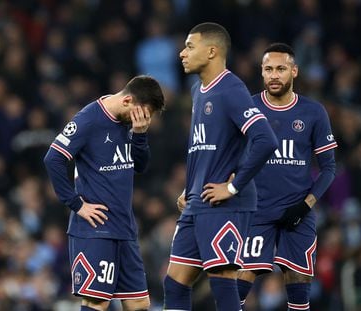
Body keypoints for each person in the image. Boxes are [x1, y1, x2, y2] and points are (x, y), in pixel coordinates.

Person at [163, 22, 278, 311]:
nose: (181, 53)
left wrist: (233, 186)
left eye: (190, 46)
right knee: (174, 282)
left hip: (225, 204)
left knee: (222, 280)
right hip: (197, 200)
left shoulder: (231, 88)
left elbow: (265, 139)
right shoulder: (198, 91)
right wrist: (189, 188)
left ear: (212, 51)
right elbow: (205, 146)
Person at [43, 75, 165, 311]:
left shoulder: (131, 124)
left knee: (139, 303)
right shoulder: (88, 119)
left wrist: (140, 135)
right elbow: (53, 158)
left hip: (125, 227)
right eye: (141, 114)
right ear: (128, 100)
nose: (142, 119)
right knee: (97, 302)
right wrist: (77, 204)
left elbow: (140, 165)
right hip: (94, 230)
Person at [237, 43, 337, 311]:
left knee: (298, 279)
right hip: (256, 209)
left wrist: (306, 205)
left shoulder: (313, 112)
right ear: (261, 72)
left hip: (298, 210)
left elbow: (328, 168)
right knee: (240, 276)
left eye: (281, 69)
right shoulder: (248, 107)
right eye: (268, 69)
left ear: (294, 71)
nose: (274, 75)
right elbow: (227, 154)